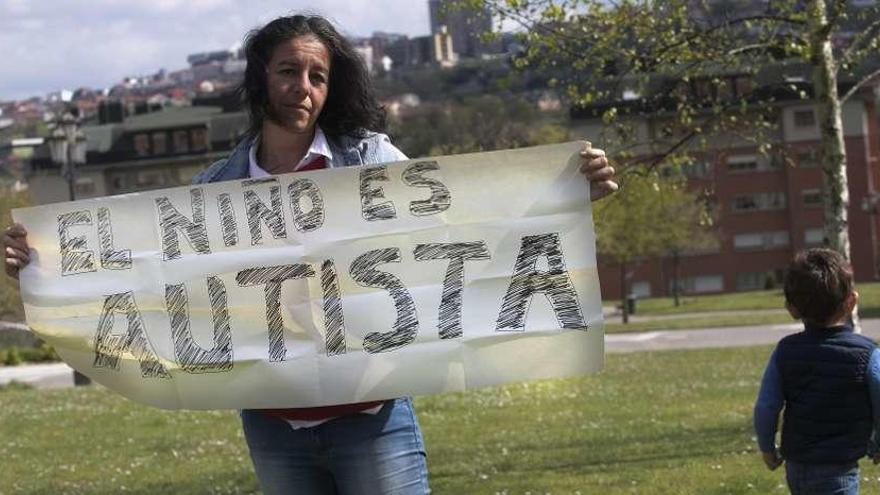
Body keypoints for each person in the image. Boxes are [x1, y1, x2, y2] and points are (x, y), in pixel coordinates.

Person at [4, 14, 617, 495]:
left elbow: (464, 231)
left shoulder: (370, 164)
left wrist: (562, 196)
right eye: (288, 71)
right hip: (273, 428)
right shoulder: (214, 193)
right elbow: (155, 284)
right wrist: (44, 265)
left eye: (317, 76)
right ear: (259, 78)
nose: (303, 87)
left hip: (373, 418)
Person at [753, 248, 880, 495]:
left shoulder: (785, 351)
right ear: (852, 301)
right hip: (839, 469)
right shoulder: (867, 354)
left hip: (797, 467)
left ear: (791, 308)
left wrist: (767, 448)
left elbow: (766, 406)